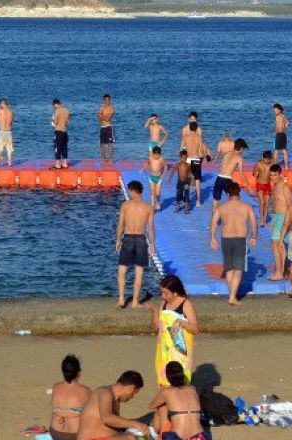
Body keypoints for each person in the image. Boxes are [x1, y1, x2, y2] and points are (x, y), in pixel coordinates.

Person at [145, 276, 199, 388]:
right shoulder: (164, 304)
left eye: (166, 293)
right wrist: (154, 312)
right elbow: (157, 327)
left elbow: (195, 329)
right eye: (162, 293)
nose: (163, 296)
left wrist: (182, 322)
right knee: (164, 380)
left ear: (175, 293)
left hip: (179, 348)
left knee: (180, 381)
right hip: (164, 348)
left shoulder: (186, 304)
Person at [210, 182, 257, 306]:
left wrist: (213, 238)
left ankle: (232, 295)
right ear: (239, 193)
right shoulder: (246, 207)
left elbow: (214, 223)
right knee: (238, 270)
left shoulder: (222, 207)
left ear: (227, 194)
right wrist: (253, 237)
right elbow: (253, 223)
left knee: (229, 269)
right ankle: (232, 297)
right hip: (240, 239)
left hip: (226, 239)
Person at [116, 181, 155, 309]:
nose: (128, 193)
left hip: (127, 238)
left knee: (122, 269)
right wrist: (152, 245)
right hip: (140, 239)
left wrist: (118, 240)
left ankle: (121, 299)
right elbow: (151, 229)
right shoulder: (148, 207)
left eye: (128, 191)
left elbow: (121, 224)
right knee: (139, 272)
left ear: (133, 191)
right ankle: (134, 302)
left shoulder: (125, 205)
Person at [76, 371, 148, 440]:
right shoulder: (105, 393)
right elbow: (107, 418)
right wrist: (135, 424)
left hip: (105, 437)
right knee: (130, 438)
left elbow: (116, 423)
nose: (132, 397)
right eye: (134, 393)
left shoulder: (115, 400)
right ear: (131, 388)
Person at [148, 362, 209, 440]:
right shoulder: (192, 389)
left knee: (161, 406)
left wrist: (163, 390)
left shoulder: (166, 392)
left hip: (178, 437)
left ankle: (155, 434)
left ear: (167, 376)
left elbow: (151, 406)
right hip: (199, 436)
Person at [50, 355, 93, 440]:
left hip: (54, 432)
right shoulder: (86, 391)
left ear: (63, 371)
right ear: (78, 372)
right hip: (74, 435)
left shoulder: (55, 387)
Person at [212, 138, 250, 212]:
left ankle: (214, 219)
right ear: (241, 148)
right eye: (243, 149)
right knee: (235, 198)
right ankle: (232, 215)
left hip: (219, 177)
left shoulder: (227, 154)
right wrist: (248, 184)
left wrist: (230, 178)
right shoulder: (239, 158)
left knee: (216, 200)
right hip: (227, 179)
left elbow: (221, 167)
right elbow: (241, 174)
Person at [268, 164, 291, 281]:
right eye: (271, 175)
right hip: (277, 217)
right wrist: (273, 219)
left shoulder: (284, 187)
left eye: (275, 175)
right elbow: (276, 204)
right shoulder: (276, 186)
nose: (272, 177)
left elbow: (289, 206)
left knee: (274, 244)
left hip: (283, 218)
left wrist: (287, 222)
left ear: (280, 174)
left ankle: (279, 272)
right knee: (280, 246)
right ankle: (283, 271)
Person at [182, 122, 207, 207]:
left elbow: (183, 149)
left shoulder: (186, 137)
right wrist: (204, 158)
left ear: (189, 128)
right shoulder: (199, 137)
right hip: (196, 159)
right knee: (197, 180)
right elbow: (201, 150)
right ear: (196, 129)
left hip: (188, 159)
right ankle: (198, 201)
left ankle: (186, 199)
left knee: (187, 181)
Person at [252, 151, 274, 227]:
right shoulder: (259, 163)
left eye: (269, 159)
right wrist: (255, 174)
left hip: (267, 185)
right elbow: (253, 173)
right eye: (266, 159)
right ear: (263, 158)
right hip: (260, 184)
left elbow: (276, 174)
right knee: (261, 202)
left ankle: (264, 219)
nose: (268, 160)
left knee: (267, 203)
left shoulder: (272, 164)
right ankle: (261, 220)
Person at [0, 98, 14, 167]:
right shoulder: (11, 112)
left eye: (0, 104)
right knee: (9, 148)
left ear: (2, 104)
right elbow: (11, 122)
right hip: (9, 131)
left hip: (2, 131)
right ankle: (9, 163)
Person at [53, 99, 71, 169]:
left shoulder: (57, 111)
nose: (54, 108)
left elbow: (55, 122)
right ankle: (65, 163)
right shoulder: (66, 110)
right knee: (64, 147)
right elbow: (68, 120)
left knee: (57, 147)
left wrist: (52, 120)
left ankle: (57, 164)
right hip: (65, 132)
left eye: (54, 106)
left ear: (55, 104)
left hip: (58, 131)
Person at [98, 94, 116, 163]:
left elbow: (108, 118)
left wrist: (101, 115)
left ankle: (111, 159)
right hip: (102, 127)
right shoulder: (101, 108)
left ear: (110, 100)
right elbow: (99, 117)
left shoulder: (112, 108)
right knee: (101, 144)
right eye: (105, 100)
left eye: (108, 100)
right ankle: (103, 159)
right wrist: (102, 116)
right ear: (104, 101)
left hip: (109, 127)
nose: (107, 102)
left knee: (110, 144)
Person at [273, 103, 290, 170]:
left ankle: (275, 165)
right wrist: (284, 128)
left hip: (279, 135)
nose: (274, 111)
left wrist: (275, 133)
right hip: (284, 135)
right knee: (284, 151)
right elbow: (288, 122)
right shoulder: (283, 116)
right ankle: (286, 166)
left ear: (279, 110)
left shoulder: (277, 117)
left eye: (276, 110)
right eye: (274, 110)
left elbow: (277, 127)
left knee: (276, 151)